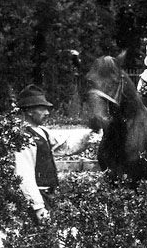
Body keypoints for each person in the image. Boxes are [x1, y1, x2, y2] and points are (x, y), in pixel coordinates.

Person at [13, 85, 96, 224]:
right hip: (36, 199)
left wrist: (90, 135)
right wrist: (38, 207)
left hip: (48, 195)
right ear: (29, 111)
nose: (47, 113)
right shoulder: (24, 137)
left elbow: (66, 147)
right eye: (42, 108)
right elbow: (24, 175)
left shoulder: (42, 132)